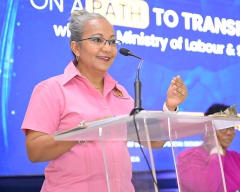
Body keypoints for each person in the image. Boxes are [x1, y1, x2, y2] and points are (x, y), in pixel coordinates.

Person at [21, 10, 188, 192]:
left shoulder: (120, 92)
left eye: (112, 41)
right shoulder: (52, 89)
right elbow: (34, 151)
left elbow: (153, 141)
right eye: (97, 40)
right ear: (76, 48)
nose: (108, 48)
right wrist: (83, 132)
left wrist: (170, 107)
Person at [176, 103, 240, 192]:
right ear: (208, 129)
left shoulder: (237, 158)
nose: (229, 132)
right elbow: (207, 189)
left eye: (232, 128)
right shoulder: (189, 157)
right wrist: (216, 152)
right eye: (223, 127)